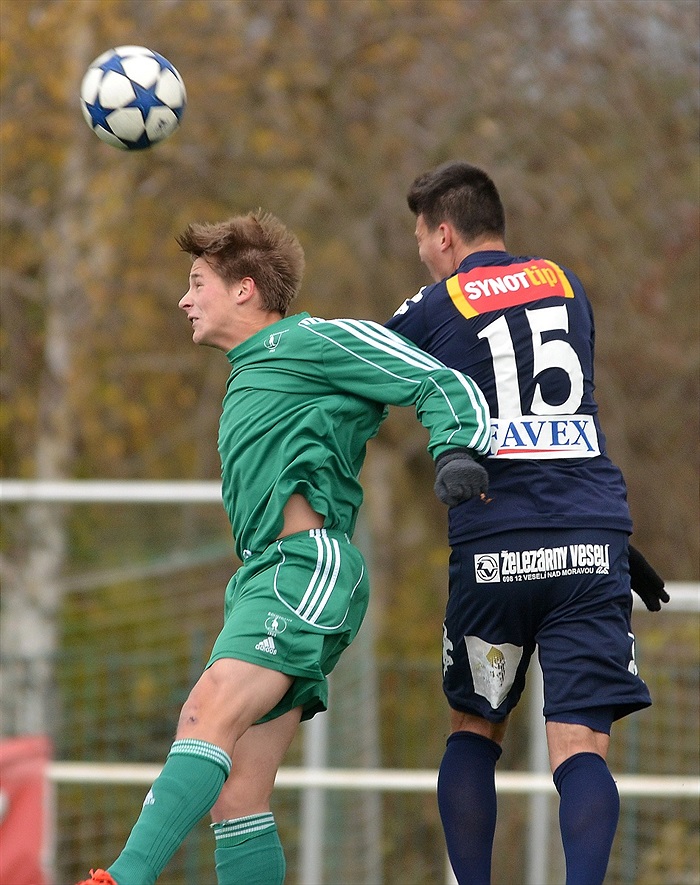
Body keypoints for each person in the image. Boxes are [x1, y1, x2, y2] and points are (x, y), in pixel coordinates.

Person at [78, 209, 492, 885]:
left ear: (244, 288)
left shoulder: (313, 340)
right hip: (264, 577)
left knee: (204, 710)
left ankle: (120, 878)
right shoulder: (250, 370)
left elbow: (439, 379)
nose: (184, 299)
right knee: (237, 794)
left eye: (197, 282)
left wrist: (454, 449)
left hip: (308, 566)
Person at [385, 161, 669, 885]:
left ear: (444, 233)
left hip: (495, 544)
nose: (422, 250)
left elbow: (368, 362)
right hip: (590, 537)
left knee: (475, 728)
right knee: (580, 746)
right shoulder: (567, 285)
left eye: (422, 236)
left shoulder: (437, 302)